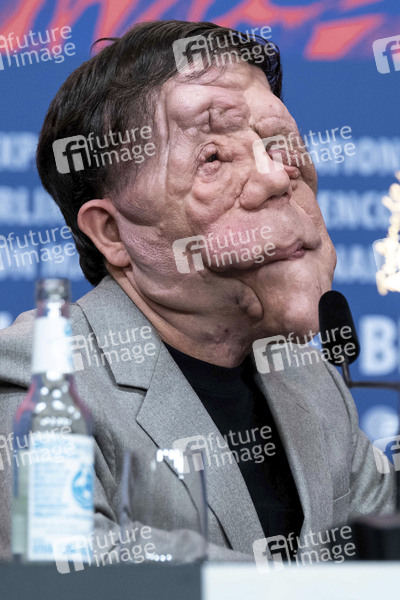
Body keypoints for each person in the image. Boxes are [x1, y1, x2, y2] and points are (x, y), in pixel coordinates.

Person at [0, 20, 394, 563]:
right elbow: (63, 562)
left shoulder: (310, 379)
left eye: (279, 145)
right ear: (112, 233)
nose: (277, 177)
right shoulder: (40, 373)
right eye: (214, 158)